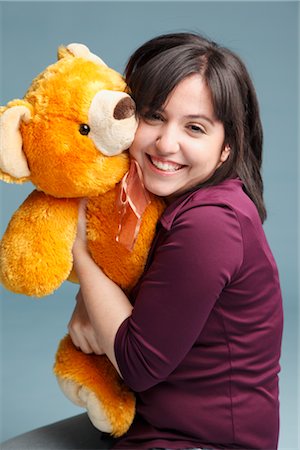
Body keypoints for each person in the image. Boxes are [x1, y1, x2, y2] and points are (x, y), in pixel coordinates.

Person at [1, 32, 283, 450]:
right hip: (144, 421)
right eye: (153, 116)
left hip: (200, 440)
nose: (166, 144)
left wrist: (80, 254)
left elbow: (137, 363)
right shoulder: (155, 199)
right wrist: (88, 304)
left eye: (195, 127)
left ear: (227, 147)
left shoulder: (211, 225)